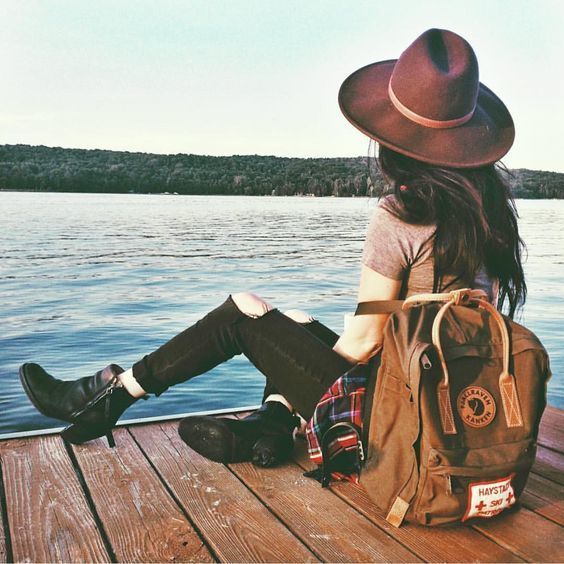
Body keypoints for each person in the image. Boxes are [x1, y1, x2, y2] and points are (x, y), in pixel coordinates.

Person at [19, 28, 526, 468]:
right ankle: (270, 428)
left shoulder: (403, 213)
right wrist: (292, 343)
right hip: (445, 399)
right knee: (295, 323)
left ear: (391, 138)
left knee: (243, 314)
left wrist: (281, 348)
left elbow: (366, 338)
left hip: (397, 419)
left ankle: (106, 397)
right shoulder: (490, 215)